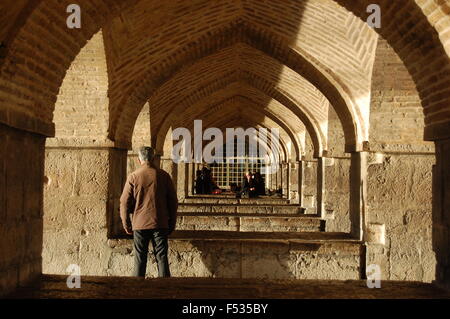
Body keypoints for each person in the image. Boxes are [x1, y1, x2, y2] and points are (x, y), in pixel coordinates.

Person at [120, 146, 178, 278]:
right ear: (153, 158)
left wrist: (126, 223)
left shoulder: (134, 176)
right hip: (160, 222)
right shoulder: (164, 176)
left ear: (138, 159)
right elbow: (173, 202)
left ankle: (137, 289)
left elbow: (124, 202)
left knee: (140, 258)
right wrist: (172, 222)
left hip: (139, 223)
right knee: (162, 257)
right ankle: (165, 289)